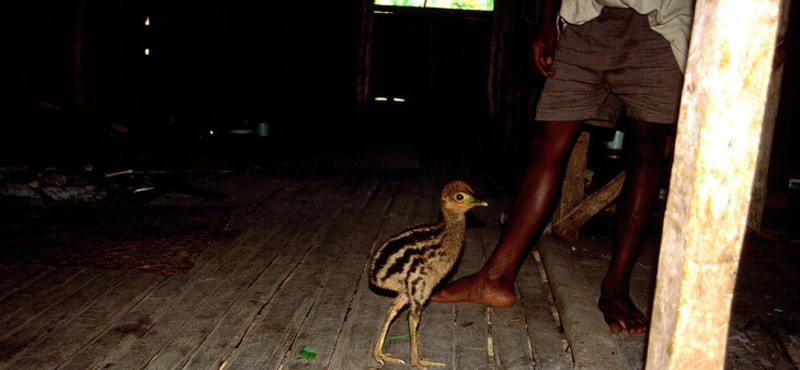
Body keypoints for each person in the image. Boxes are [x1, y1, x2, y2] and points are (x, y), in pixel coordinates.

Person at [431, 0, 694, 334]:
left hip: (660, 28)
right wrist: (547, 22)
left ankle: (616, 289)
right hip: (585, 20)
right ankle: (495, 279)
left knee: (647, 156)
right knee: (547, 144)